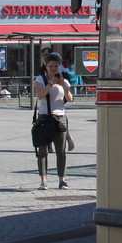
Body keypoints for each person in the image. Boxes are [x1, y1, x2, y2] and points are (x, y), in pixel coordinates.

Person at [34, 53, 73, 190]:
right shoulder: (41, 79)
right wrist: (51, 84)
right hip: (45, 117)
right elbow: (40, 95)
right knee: (43, 150)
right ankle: (43, 179)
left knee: (61, 150)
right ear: (46, 66)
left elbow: (70, 99)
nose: (53, 68)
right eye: (51, 66)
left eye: (56, 66)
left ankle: (62, 179)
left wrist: (63, 85)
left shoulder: (64, 80)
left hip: (60, 117)